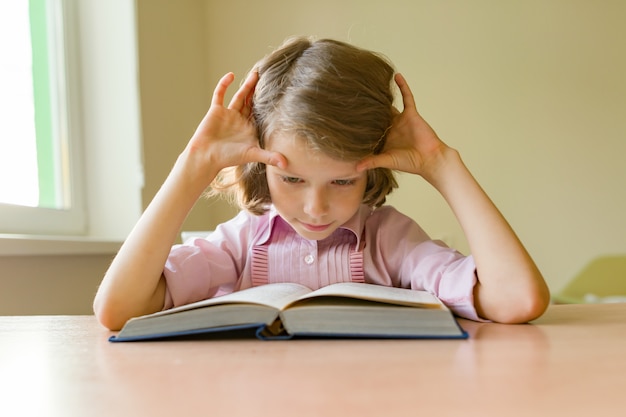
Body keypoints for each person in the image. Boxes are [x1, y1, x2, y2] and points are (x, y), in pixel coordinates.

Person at [93, 36, 550, 331]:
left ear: (370, 167)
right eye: (291, 178)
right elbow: (117, 309)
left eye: (341, 180)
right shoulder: (239, 243)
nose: (315, 207)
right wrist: (194, 166)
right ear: (261, 163)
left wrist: (441, 164)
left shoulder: (391, 241)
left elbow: (518, 300)